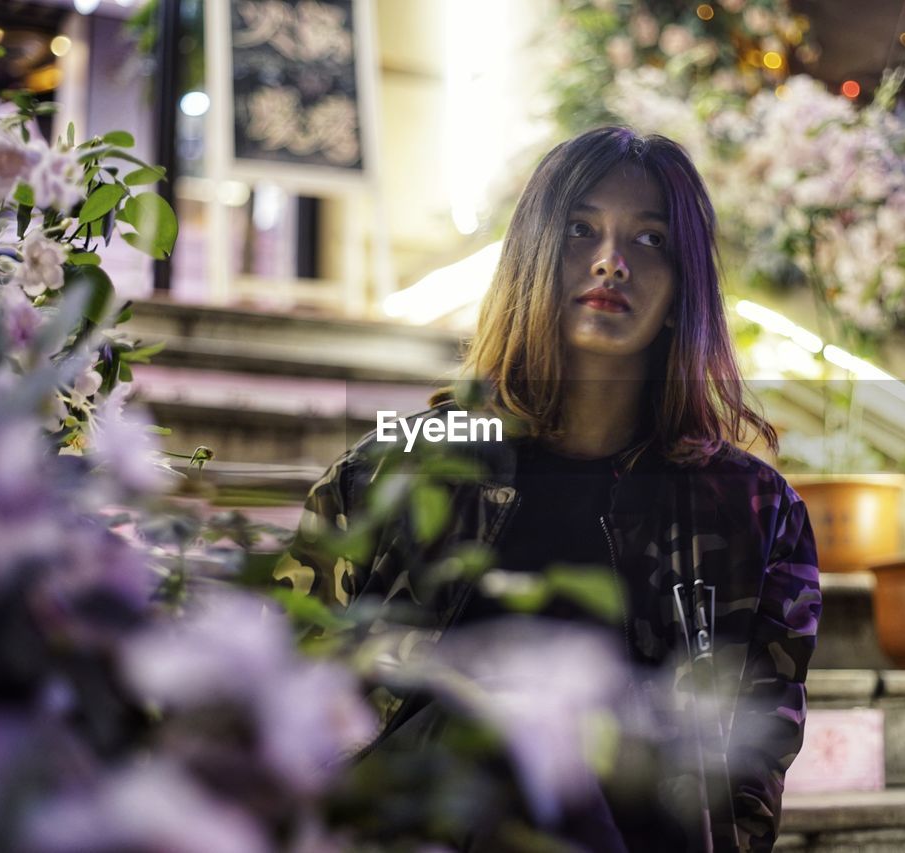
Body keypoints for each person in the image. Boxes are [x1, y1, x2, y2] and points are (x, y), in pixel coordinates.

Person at [283, 127, 821, 852]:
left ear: (684, 284)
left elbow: (750, 771)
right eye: (580, 228)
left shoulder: (756, 514)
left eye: (651, 239)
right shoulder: (392, 473)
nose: (611, 261)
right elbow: (291, 702)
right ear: (533, 254)